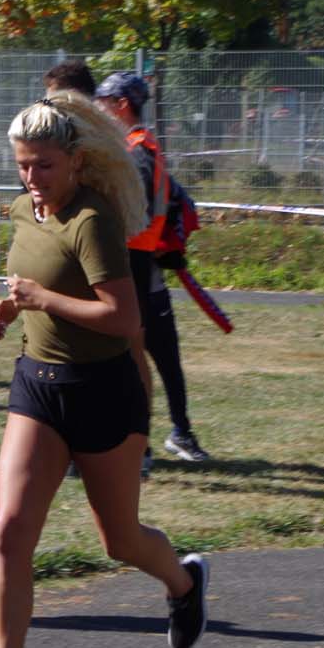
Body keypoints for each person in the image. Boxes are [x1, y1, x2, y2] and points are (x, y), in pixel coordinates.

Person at [0, 93, 208, 648]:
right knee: (10, 531)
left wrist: (41, 298)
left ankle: (182, 583)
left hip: (104, 390)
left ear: (74, 161)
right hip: (37, 386)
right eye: (22, 165)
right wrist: (12, 307)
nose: (31, 177)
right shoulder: (23, 210)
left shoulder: (93, 220)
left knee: (120, 541)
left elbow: (123, 318)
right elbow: (32, 282)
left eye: (43, 165)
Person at [95, 72, 211, 469]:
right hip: (145, 266)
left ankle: (140, 446)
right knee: (154, 359)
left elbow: (134, 212)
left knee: (134, 360)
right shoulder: (139, 147)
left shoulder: (136, 152)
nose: (99, 109)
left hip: (135, 265)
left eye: (103, 102)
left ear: (121, 105)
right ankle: (173, 433)